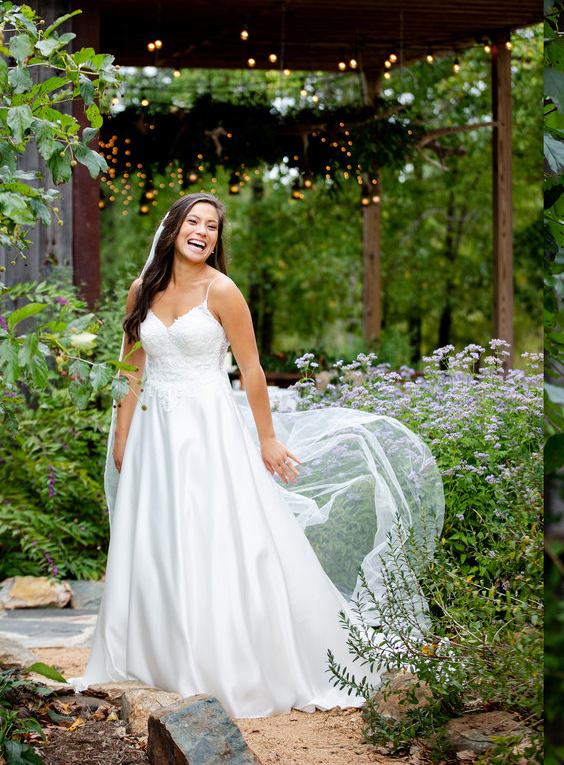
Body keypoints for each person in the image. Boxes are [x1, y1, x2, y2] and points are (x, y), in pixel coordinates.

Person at [70, 193, 443, 718]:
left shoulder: (222, 292)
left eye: (212, 227)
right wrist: (121, 438)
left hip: (209, 431)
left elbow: (251, 370)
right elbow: (130, 369)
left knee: (215, 536)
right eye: (193, 222)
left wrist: (266, 439)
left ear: (217, 239)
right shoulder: (142, 291)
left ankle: (225, 663)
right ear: (173, 228)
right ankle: (154, 657)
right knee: (154, 541)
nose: (202, 232)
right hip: (155, 435)